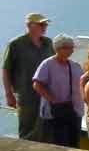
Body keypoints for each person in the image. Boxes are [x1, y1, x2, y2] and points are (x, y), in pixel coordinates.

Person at [2, 12, 54, 141]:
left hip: (46, 93)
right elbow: (5, 69)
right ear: (29, 25)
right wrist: (9, 94)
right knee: (27, 128)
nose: (45, 27)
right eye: (41, 24)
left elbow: (54, 65)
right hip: (26, 94)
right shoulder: (16, 44)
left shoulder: (48, 42)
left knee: (47, 126)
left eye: (45, 24)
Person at [31, 34, 84, 148]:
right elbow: (37, 84)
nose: (72, 50)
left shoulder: (74, 65)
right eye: (68, 47)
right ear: (58, 48)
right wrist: (52, 100)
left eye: (72, 47)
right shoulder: (47, 64)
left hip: (74, 110)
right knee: (58, 144)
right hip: (55, 111)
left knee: (74, 144)